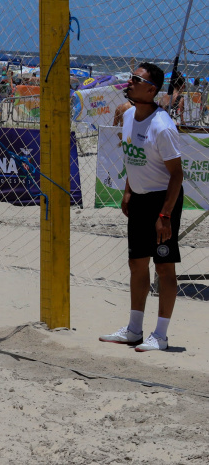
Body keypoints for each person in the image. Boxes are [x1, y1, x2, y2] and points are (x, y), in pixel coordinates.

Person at [99, 62, 184, 352]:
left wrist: (165, 215)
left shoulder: (163, 126)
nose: (130, 82)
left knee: (164, 267)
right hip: (138, 198)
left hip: (162, 201)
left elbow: (177, 175)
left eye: (136, 79)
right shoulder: (128, 115)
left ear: (151, 90)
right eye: (131, 77)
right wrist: (127, 192)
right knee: (136, 263)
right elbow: (132, 159)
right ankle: (134, 330)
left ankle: (160, 335)